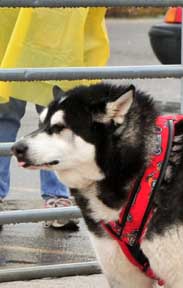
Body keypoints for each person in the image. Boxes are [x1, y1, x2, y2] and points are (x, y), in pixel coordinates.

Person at [0, 7, 110, 229]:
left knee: (53, 119)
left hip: (42, 40)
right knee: (17, 116)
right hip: (39, 38)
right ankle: (56, 198)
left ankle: (57, 197)